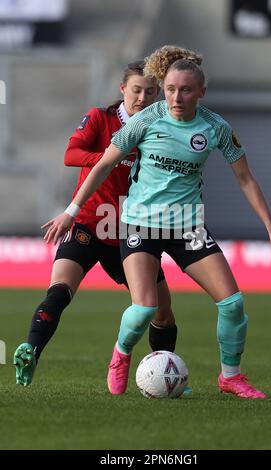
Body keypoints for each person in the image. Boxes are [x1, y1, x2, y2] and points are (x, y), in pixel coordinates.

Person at [41, 45, 271, 398]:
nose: (177, 97)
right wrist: (71, 211)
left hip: (187, 225)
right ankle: (121, 354)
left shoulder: (216, 127)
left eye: (186, 90)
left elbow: (246, 179)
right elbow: (103, 165)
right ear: (164, 88)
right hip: (140, 224)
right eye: (171, 89)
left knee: (232, 303)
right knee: (145, 307)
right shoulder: (146, 119)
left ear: (201, 92)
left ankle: (230, 377)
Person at [14, 60, 180, 387]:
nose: (142, 97)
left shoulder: (160, 127)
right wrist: (110, 156)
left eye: (150, 91)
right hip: (89, 224)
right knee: (59, 290)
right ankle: (31, 350)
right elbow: (71, 154)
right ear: (123, 90)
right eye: (136, 90)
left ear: (157, 92)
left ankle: (167, 373)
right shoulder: (100, 118)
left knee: (162, 312)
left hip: (133, 233)